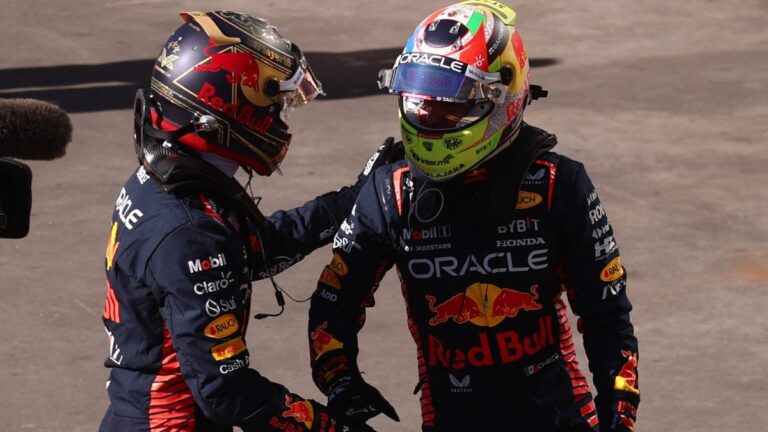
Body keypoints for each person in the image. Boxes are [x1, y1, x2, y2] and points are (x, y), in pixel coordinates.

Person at [307, 1, 639, 431]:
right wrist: (341, 381)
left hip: (560, 417)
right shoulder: (392, 189)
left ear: (503, 100)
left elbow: (606, 314)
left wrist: (620, 411)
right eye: (420, 97)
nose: (428, 113)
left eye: (450, 102)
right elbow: (335, 300)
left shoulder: (560, 184)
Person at [99, 10, 398, 432]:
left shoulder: (167, 177)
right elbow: (226, 392)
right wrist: (330, 427)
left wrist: (352, 198)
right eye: (276, 105)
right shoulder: (189, 229)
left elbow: (251, 250)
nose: (280, 119)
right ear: (228, 107)